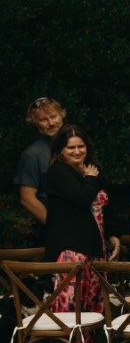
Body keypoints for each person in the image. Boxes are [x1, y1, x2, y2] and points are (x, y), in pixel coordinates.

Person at [42, 125, 118, 343]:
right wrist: (89, 179)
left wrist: (114, 234)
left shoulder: (93, 170)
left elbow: (107, 204)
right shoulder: (58, 173)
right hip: (69, 249)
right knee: (70, 306)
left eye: (81, 146)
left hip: (94, 249)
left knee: (90, 304)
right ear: (61, 151)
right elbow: (81, 198)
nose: (77, 151)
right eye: (71, 147)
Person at [13, 97, 68, 238]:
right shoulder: (32, 155)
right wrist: (57, 228)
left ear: (61, 115)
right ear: (36, 123)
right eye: (43, 120)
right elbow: (27, 199)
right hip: (54, 234)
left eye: (53, 116)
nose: (51, 123)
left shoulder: (77, 147)